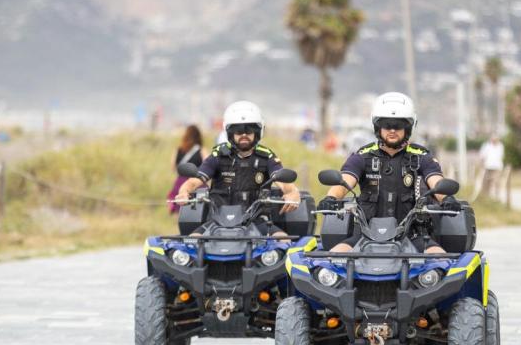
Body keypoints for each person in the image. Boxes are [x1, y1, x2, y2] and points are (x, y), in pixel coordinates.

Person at [318, 92, 459, 254]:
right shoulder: (362, 156)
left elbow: (437, 182)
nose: (392, 130)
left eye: (398, 125)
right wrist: (331, 198)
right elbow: (343, 181)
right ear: (378, 127)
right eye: (387, 124)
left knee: (440, 261)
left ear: (408, 128)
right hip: (365, 234)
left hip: (413, 234)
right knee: (333, 259)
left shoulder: (422, 157)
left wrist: (447, 198)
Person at [177, 101, 300, 236]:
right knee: (192, 242)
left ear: (258, 132)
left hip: (257, 221)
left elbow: (284, 182)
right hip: (217, 221)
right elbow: (194, 181)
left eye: (249, 130)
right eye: (238, 131)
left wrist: (293, 193)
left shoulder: (266, 157)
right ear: (230, 133)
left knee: (283, 241)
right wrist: (184, 192)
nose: (244, 135)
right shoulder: (218, 155)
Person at [167, 125, 204, 214]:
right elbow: (207, 167)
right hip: (197, 183)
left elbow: (173, 167)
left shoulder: (179, 150)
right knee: (198, 212)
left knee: (180, 212)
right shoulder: (201, 150)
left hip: (180, 182)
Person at [478, 134, 504, 201]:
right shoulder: (487, 146)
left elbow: (501, 156)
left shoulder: (500, 146)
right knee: (486, 183)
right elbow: (482, 156)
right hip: (487, 167)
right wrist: (481, 166)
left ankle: (496, 197)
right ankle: (486, 197)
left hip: (497, 167)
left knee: (497, 182)